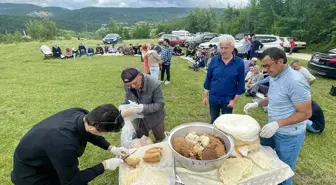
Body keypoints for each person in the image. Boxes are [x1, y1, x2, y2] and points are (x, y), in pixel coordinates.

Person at [11, 104, 129, 185]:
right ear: (95, 127)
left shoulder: (82, 114)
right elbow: (72, 182)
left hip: (46, 158)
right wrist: (105, 165)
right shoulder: (64, 145)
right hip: (32, 175)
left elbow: (89, 132)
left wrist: (111, 148)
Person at [244, 47, 312, 185]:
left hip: (289, 135)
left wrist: (277, 124)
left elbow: (306, 113)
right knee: (261, 156)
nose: (265, 70)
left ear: (280, 61)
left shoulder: (295, 81)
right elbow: (274, 96)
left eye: (267, 66)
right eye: (263, 66)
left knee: (283, 170)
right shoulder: (275, 75)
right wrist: (257, 104)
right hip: (273, 128)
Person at [203, 34, 245, 124]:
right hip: (213, 98)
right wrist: (205, 96)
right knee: (214, 119)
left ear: (232, 48)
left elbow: (241, 84)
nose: (223, 51)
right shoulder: (214, 60)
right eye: (221, 48)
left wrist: (234, 101)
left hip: (228, 99)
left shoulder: (239, 63)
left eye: (226, 48)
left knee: (226, 122)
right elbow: (208, 78)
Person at [121, 68, 166, 142]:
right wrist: (123, 108)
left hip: (156, 117)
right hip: (139, 119)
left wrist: (142, 108)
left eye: (135, 83)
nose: (133, 86)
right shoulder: (128, 85)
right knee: (141, 141)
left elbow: (160, 104)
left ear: (140, 75)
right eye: (129, 84)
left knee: (161, 139)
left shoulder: (154, 83)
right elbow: (128, 98)